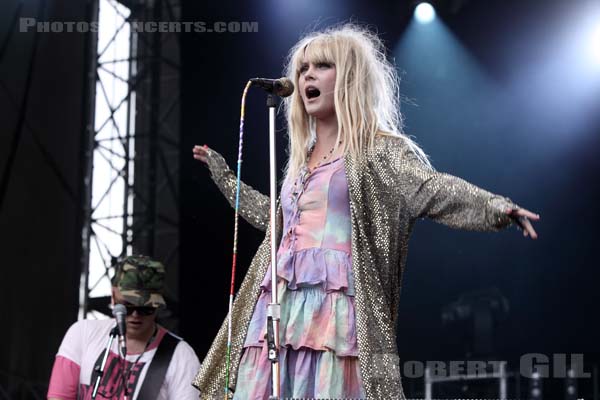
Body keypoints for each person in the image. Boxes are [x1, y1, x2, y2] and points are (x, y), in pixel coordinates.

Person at [191, 23, 539, 400]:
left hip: (334, 314)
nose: (307, 74)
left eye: (322, 66)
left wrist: (496, 207)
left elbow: (429, 188)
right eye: (303, 68)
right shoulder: (299, 164)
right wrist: (225, 177)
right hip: (278, 310)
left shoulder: (375, 151)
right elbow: (274, 220)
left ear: (350, 78)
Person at [47, 255, 201, 400]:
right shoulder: (82, 333)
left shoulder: (181, 356)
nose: (135, 315)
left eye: (145, 308)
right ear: (113, 295)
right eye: (127, 306)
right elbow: (59, 396)